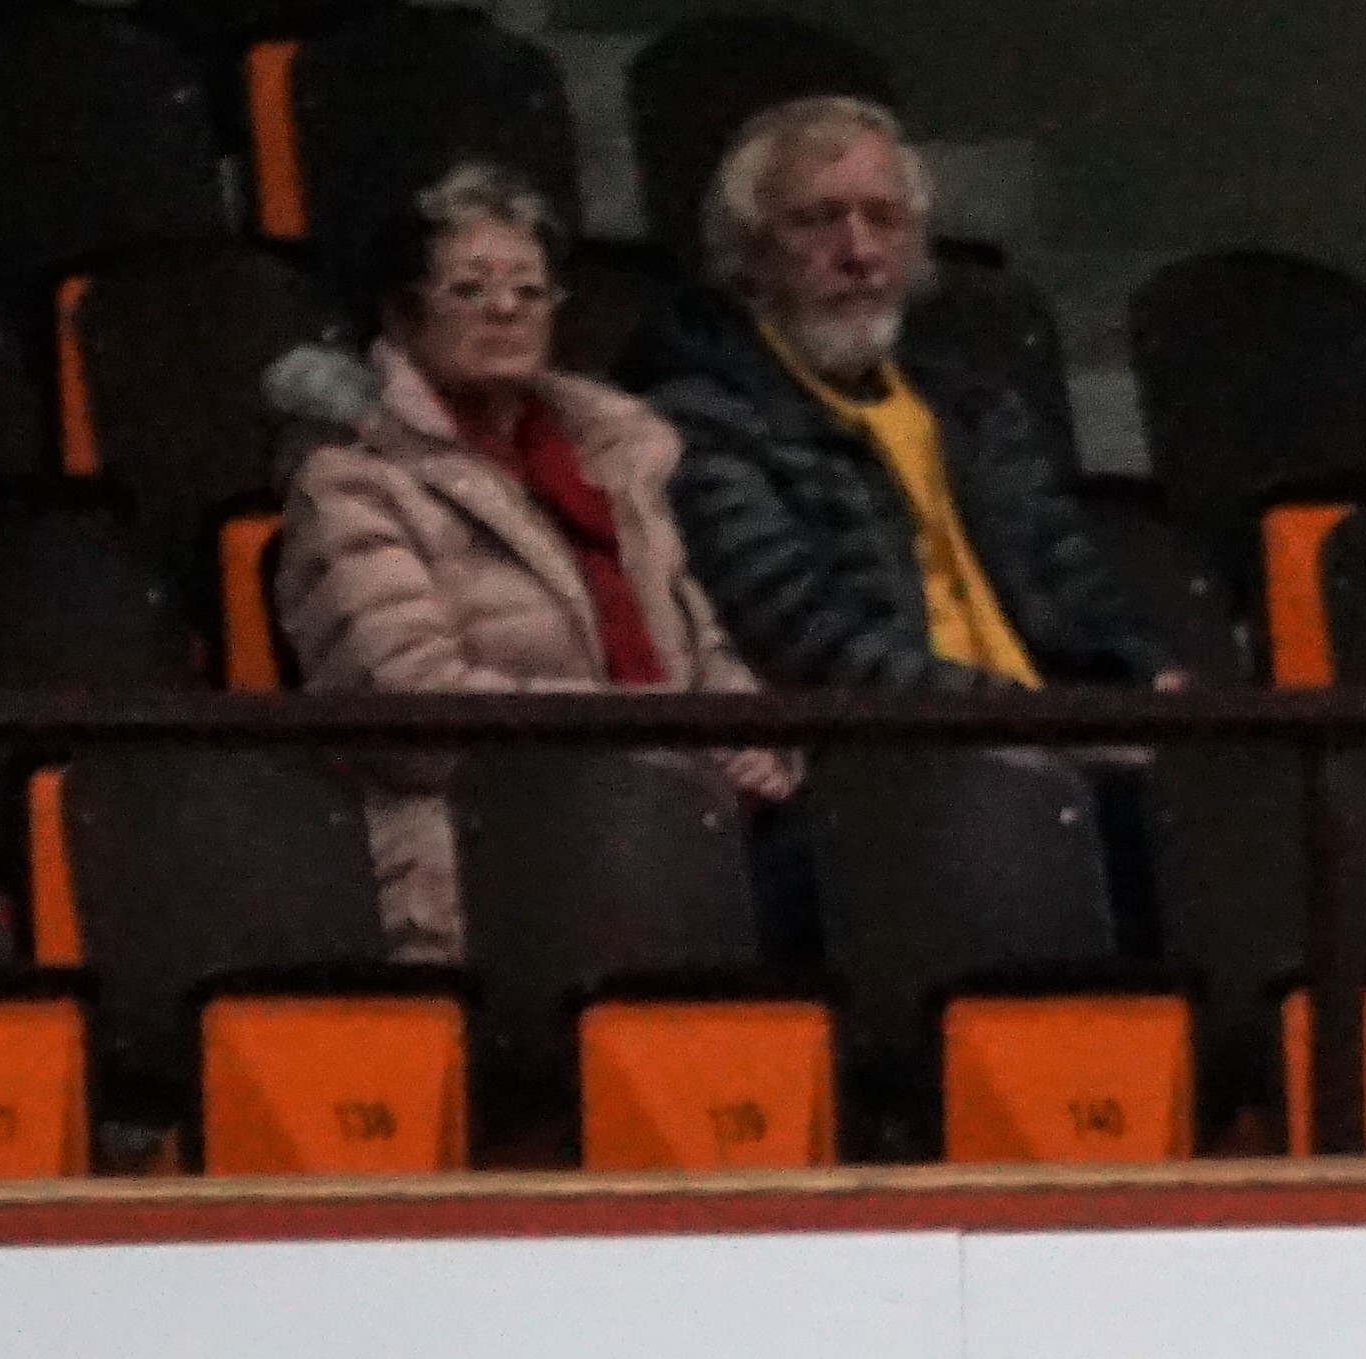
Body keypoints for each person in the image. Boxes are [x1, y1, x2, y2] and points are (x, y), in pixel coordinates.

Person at [270, 164, 781, 960]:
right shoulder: (351, 483)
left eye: (529, 290)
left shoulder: (614, 464)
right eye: (470, 290)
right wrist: (657, 739)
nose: (505, 308)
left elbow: (703, 650)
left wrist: (749, 738)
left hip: (673, 834)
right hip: (479, 863)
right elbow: (405, 707)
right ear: (402, 315)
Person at [637, 94, 1163, 696]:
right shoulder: (700, 424)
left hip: (1047, 728)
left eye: (884, 218)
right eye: (816, 221)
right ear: (749, 252)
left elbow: (1085, 598)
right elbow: (806, 644)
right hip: (888, 743)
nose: (859, 253)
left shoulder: (976, 412)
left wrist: (1146, 677)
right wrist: (1030, 718)